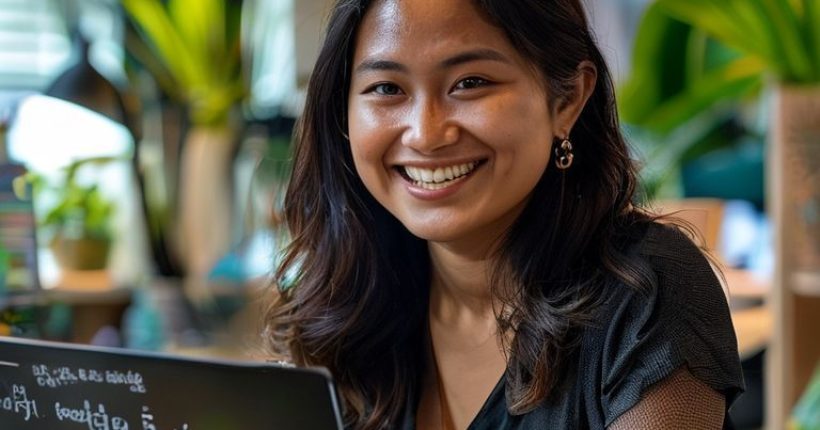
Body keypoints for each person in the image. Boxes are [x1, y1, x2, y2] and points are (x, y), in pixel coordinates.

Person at [265, 0, 745, 429]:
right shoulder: (346, 310)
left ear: (567, 100)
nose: (425, 134)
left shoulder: (648, 291)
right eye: (387, 87)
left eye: (470, 83)